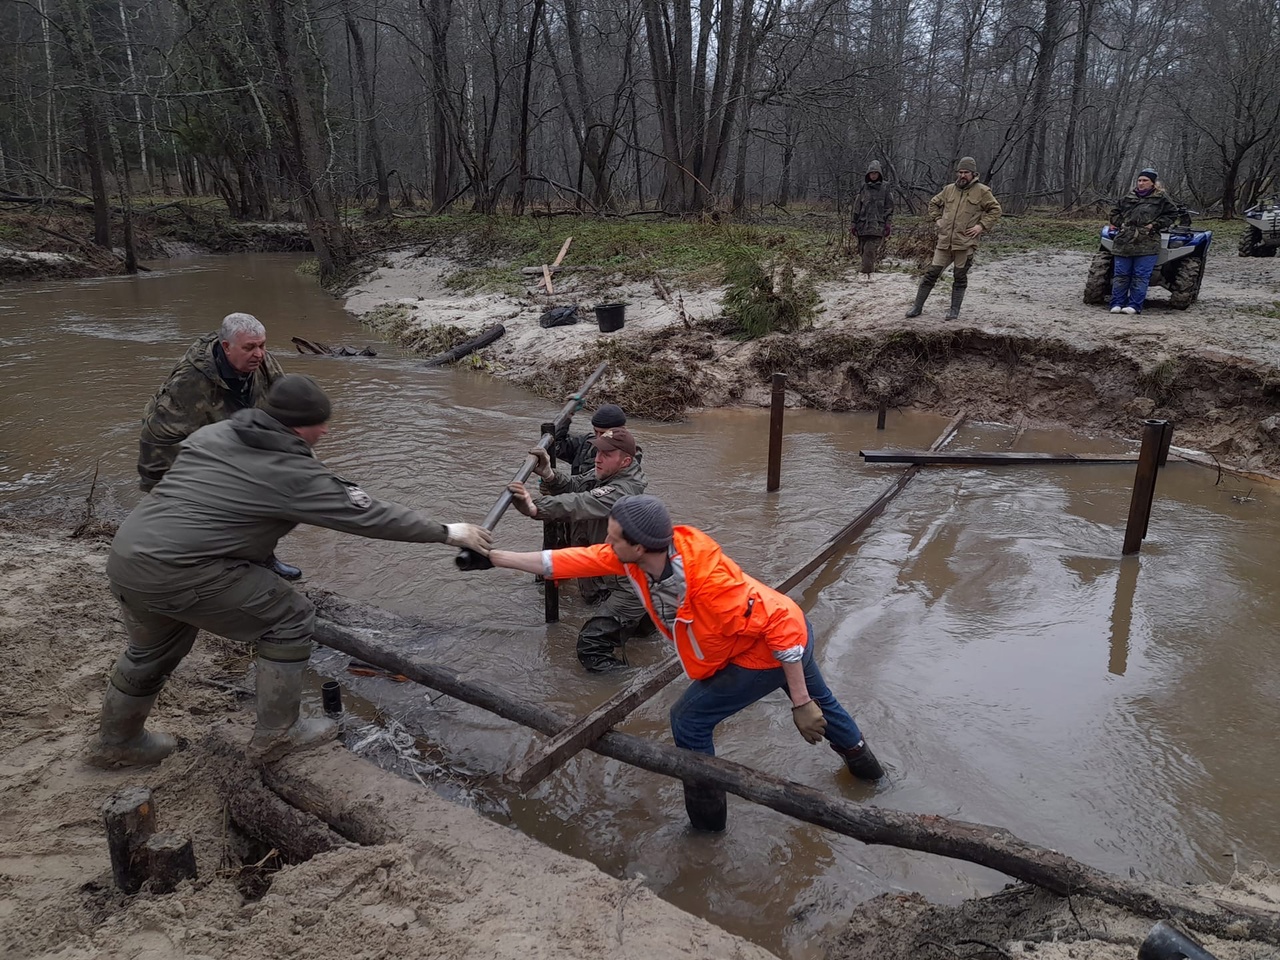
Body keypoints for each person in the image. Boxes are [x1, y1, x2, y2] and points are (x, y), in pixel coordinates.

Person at [86, 374, 492, 769]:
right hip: (183, 571)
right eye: (320, 424)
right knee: (291, 617)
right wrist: (449, 532)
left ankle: (118, 742)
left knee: (150, 651)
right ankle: (278, 734)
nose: (326, 432)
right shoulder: (291, 474)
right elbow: (369, 515)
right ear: (298, 427)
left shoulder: (217, 434)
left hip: (128, 558)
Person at [484, 494, 884, 831]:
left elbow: (777, 626)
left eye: (613, 536)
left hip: (774, 644)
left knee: (689, 720)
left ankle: (707, 827)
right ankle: (871, 776)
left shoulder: (708, 583)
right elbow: (575, 560)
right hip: (778, 628)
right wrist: (496, 558)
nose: (606, 542)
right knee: (824, 704)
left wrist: (798, 700)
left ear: (640, 546)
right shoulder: (637, 557)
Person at [137, 312, 301, 581]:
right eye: (249, 347)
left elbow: (284, 404)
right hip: (198, 447)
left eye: (262, 345)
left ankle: (264, 557)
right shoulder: (189, 382)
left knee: (266, 496)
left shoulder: (262, 362)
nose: (259, 353)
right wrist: (156, 490)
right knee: (203, 511)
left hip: (240, 436)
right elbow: (157, 437)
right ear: (226, 347)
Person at [508, 426, 652, 672]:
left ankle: (631, 688)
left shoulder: (624, 489)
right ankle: (645, 649)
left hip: (630, 588)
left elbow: (582, 502)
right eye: (598, 452)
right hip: (629, 578)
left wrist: (535, 507)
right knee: (643, 636)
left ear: (626, 460)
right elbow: (578, 485)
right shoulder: (609, 473)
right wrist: (550, 475)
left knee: (590, 644)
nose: (598, 458)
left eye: (607, 454)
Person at [906, 156, 1002, 321]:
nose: (962, 175)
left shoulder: (982, 191)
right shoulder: (949, 189)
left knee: (959, 277)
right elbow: (933, 203)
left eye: (966, 172)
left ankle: (954, 310)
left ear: (973, 174)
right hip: (944, 242)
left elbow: (995, 209)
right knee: (931, 274)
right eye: (960, 172)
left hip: (965, 244)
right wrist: (938, 219)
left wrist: (981, 226)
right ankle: (917, 307)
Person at [1107, 168, 1180, 315]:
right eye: (1139, 180)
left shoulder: (1161, 198)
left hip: (1147, 241)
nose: (1141, 183)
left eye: (1145, 180)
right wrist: (1122, 224)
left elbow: (1172, 214)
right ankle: (1117, 303)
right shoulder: (1128, 197)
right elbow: (1114, 212)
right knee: (1121, 274)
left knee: (1140, 275)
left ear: (1153, 183)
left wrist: (1154, 225)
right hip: (1124, 241)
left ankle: (1134, 305)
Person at [554, 403, 629, 476]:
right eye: (596, 432)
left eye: (604, 433)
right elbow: (556, 447)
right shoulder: (586, 444)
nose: (599, 438)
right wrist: (567, 416)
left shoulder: (627, 456)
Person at [850, 160, 894, 282]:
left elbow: (889, 207)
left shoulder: (885, 187)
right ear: (868, 174)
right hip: (862, 225)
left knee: (869, 252)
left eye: (876, 173)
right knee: (863, 251)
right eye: (871, 173)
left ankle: (866, 278)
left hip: (877, 226)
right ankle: (868, 275)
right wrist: (853, 223)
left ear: (879, 173)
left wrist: (888, 224)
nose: (873, 175)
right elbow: (857, 206)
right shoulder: (863, 187)